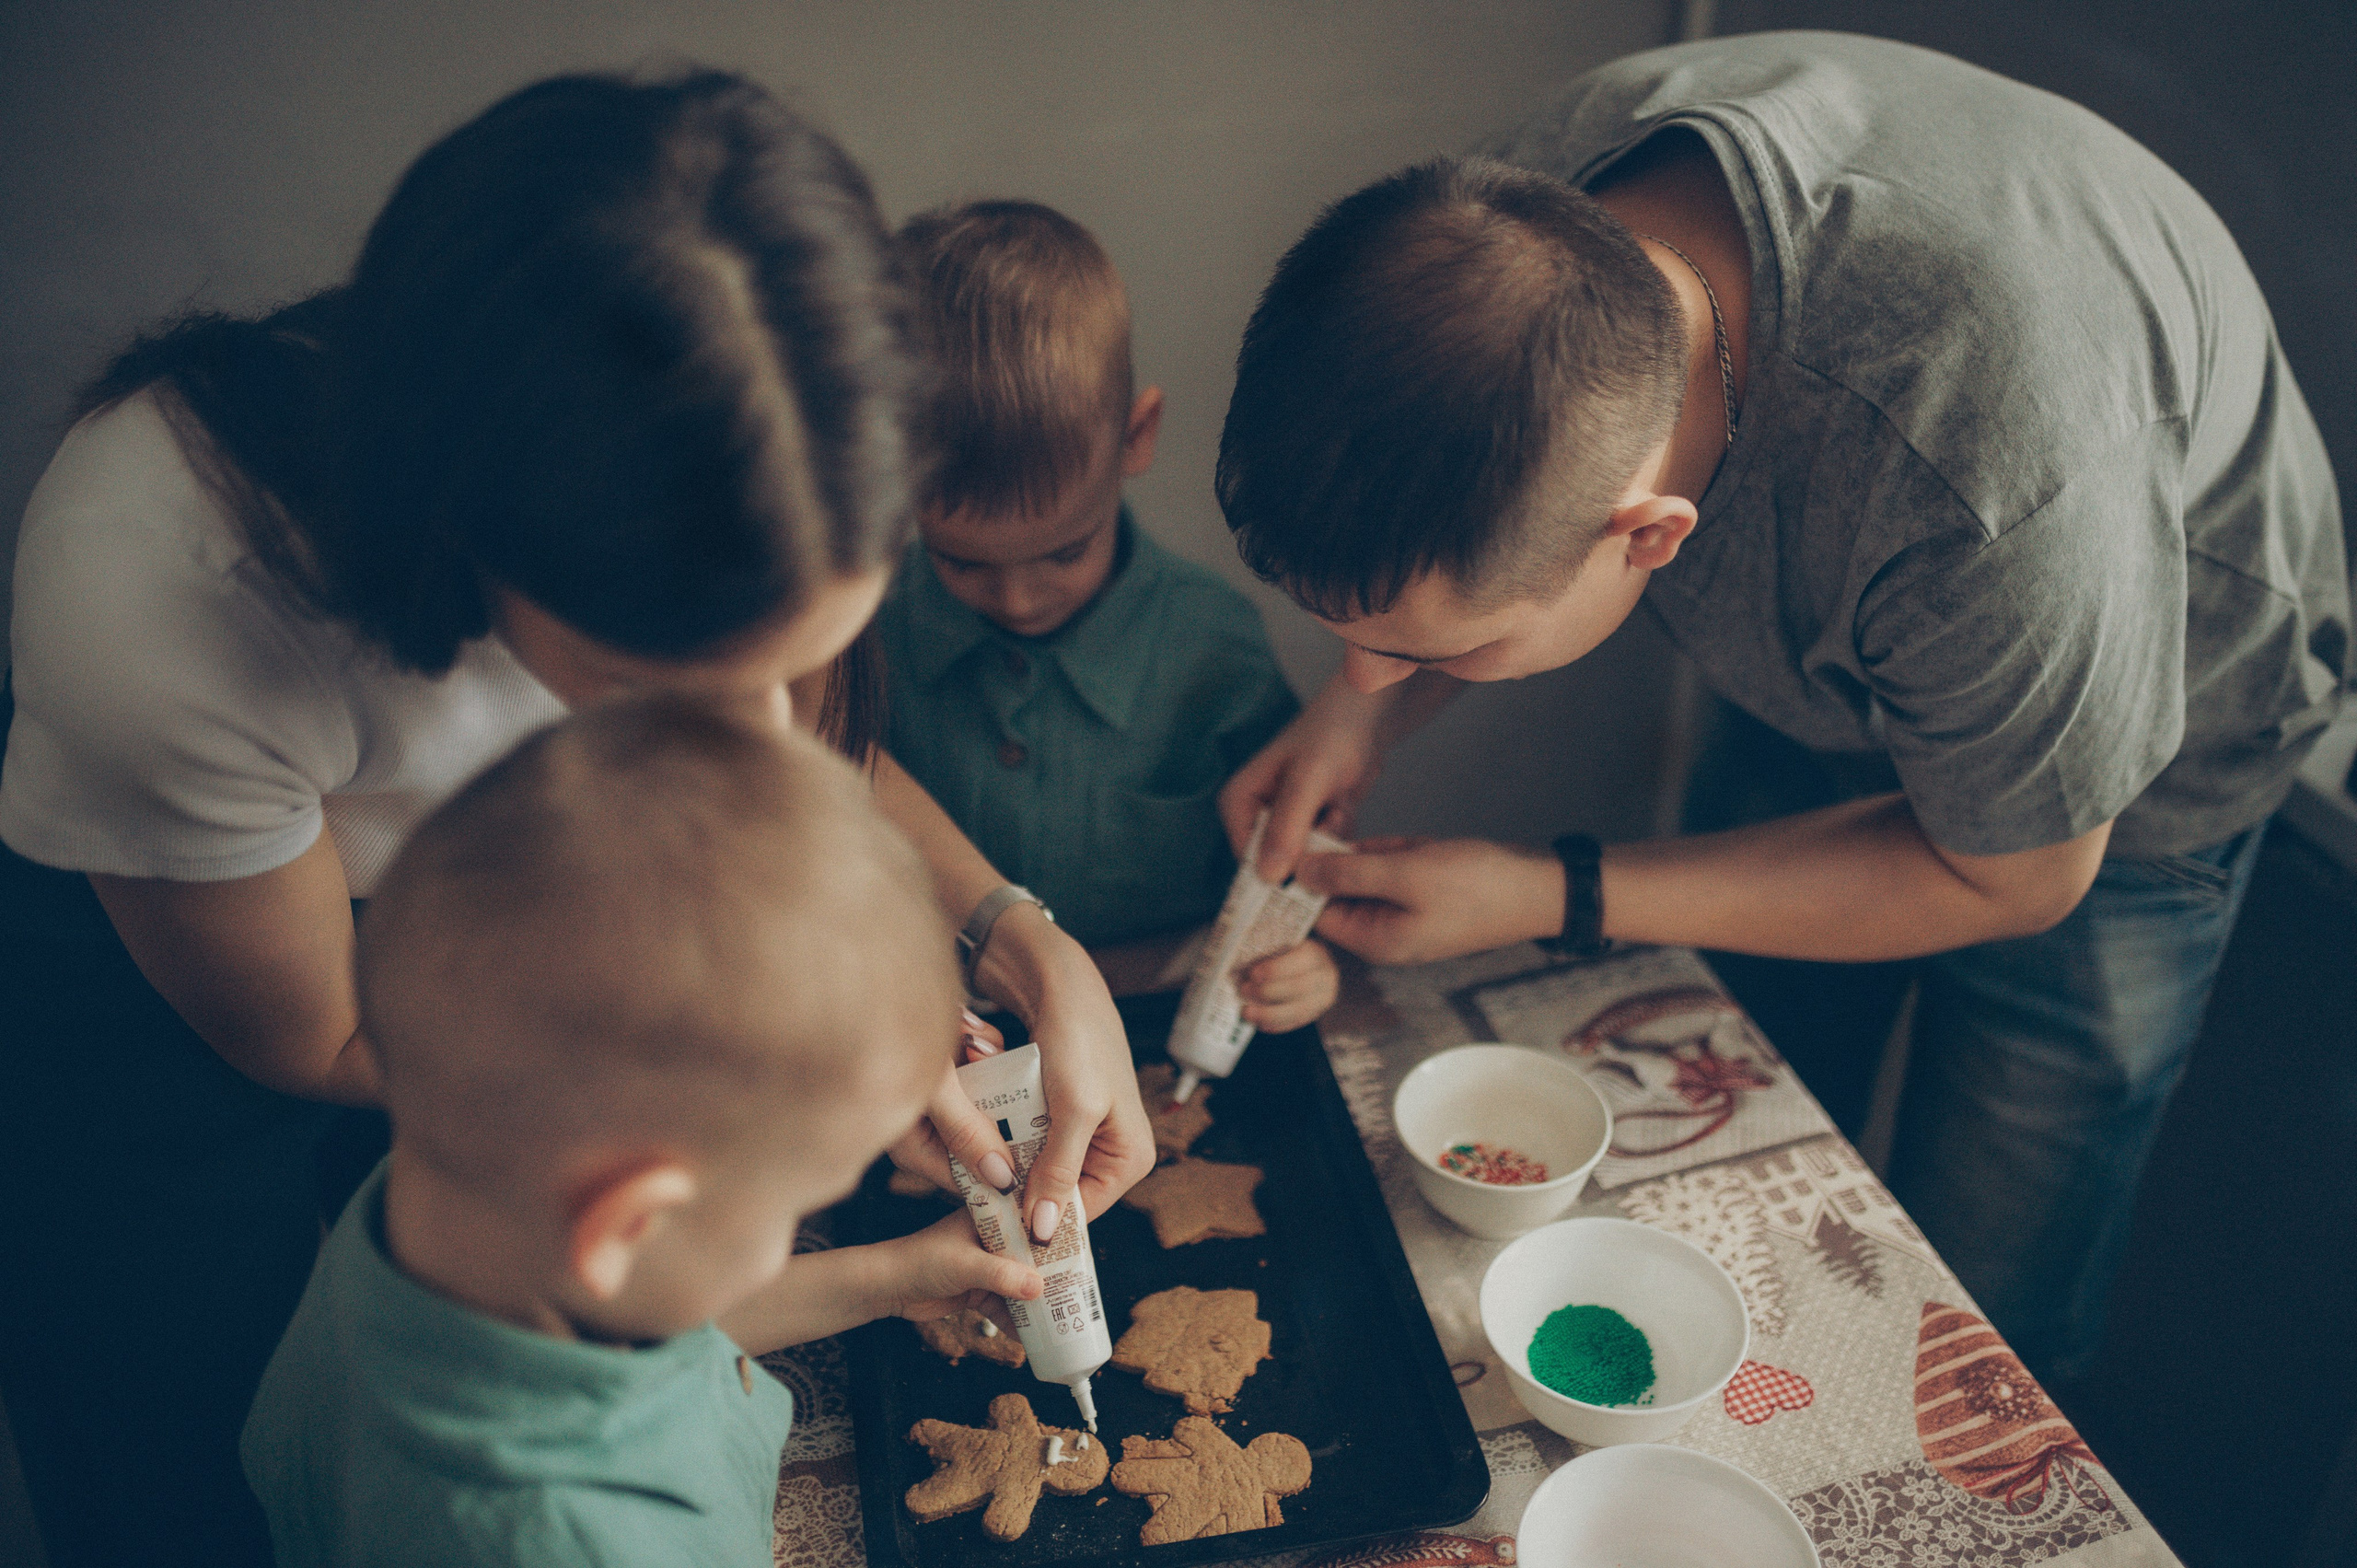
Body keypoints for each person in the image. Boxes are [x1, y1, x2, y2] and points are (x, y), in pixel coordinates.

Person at [0, 70, 1146, 1568]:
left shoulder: (749, 467)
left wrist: (1009, 936)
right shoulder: (167, 601)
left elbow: (797, 767)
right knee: (201, 1471)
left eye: (806, 652)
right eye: (692, 686)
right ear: (491, 565)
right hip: (215, 1007)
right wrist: (787, 1070)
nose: (769, 741)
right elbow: (338, 1039)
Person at [1212, 33, 2347, 1381]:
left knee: (1988, 1304)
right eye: (1352, 640)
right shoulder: (1507, 229)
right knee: (1734, 1131)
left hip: (2117, 766)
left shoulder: (1977, 472)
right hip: (1867, 623)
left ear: (1648, 534)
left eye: (1423, 649)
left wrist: (1547, 891)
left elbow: (2019, 877)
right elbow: (1454, 560)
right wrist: (1364, 717)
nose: (1366, 675)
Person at [240, 693, 1034, 1567]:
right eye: (793, 1210)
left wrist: (891, 1278)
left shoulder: (435, 1213)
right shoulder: (574, 1540)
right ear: (629, 1221)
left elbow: (660, 1321)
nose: (791, 1231)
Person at [875, 201, 1337, 1028]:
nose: (1017, 599)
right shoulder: (867, 639)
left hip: (1164, 1023)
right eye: (962, 562)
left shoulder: (1214, 647)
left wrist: (1298, 967)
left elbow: (1283, 873)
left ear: (1137, 435)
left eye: (1062, 552)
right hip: (934, 1031)